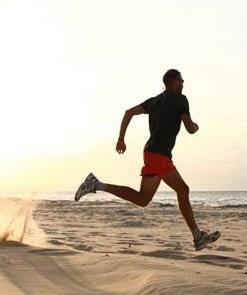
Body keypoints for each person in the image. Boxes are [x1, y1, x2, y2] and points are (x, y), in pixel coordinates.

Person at [74, 68, 220, 251]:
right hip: (158, 155)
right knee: (160, 195)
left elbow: (128, 113)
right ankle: (96, 184)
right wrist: (196, 126)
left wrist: (121, 139)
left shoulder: (154, 101)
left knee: (167, 193)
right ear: (174, 81)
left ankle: (198, 237)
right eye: (181, 80)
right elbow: (190, 128)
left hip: (158, 154)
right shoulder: (180, 99)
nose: (183, 83)